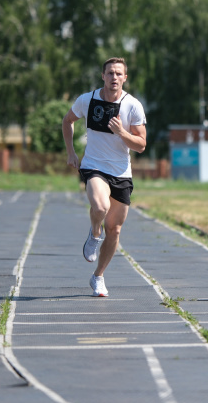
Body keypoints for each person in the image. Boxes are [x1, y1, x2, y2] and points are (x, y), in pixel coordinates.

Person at [62, 57, 147, 298]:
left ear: (125, 78)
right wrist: (71, 152)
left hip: (121, 172)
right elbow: (67, 121)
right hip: (94, 166)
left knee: (116, 229)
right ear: (103, 76)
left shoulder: (133, 106)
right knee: (100, 206)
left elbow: (141, 144)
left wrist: (122, 133)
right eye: (110, 73)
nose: (114, 78)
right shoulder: (87, 100)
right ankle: (94, 232)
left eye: (119, 74)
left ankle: (98, 276)